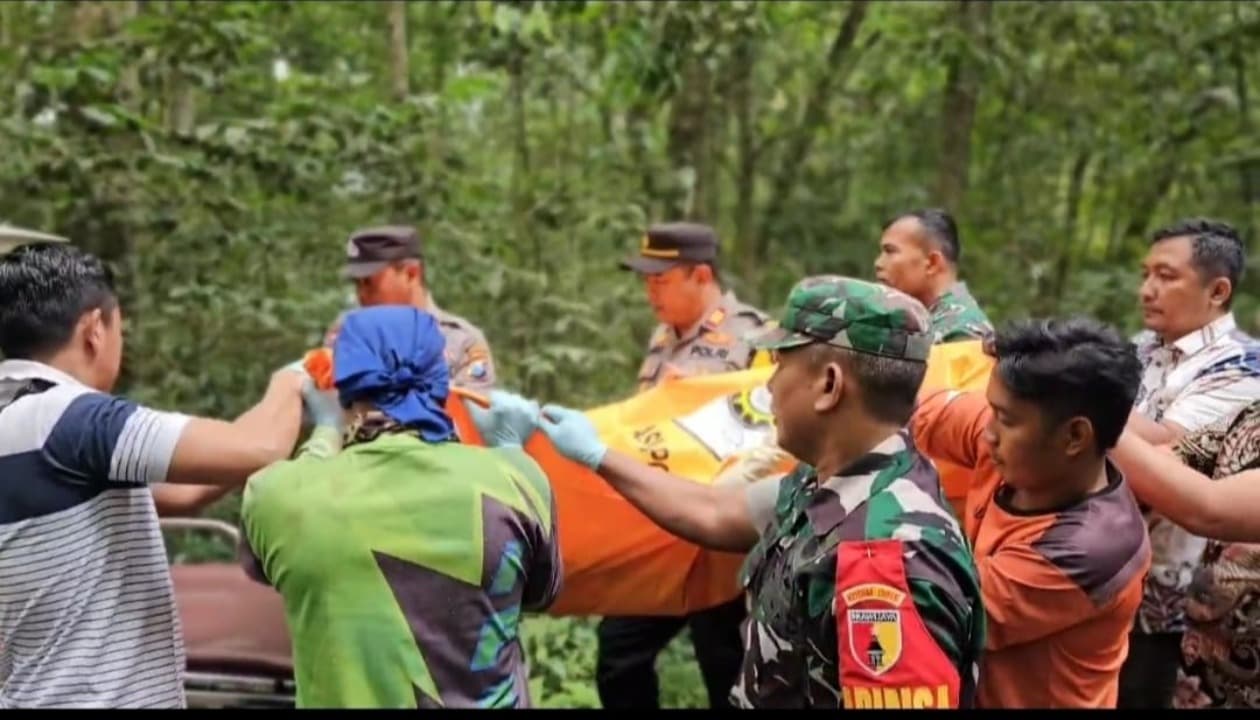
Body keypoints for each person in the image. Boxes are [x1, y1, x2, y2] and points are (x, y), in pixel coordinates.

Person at [472, 275, 985, 709]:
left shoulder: (885, 558)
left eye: (780, 365)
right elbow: (715, 512)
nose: (766, 387)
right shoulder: (825, 484)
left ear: (829, 385)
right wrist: (597, 455)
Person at [0, 242, 313, 708]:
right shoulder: (76, 421)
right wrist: (296, 379)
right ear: (94, 331)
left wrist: (286, 422)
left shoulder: (19, 417)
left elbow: (182, 493)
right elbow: (259, 446)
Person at [238, 306, 562, 709]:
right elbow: (538, 594)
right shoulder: (516, 481)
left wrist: (325, 431)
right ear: (442, 378)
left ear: (341, 388)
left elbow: (268, 568)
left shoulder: (277, 494)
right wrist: (510, 449)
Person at [909, 317, 1150, 707]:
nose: (988, 432)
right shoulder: (1020, 452)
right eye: (992, 411)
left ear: (1074, 436)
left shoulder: (1091, 550)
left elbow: (937, 605)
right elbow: (912, 407)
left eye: (1005, 419)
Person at [599, 221, 770, 710]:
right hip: (660, 526)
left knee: (724, 663)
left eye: (661, 279)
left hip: (721, 534)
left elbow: (771, 432)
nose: (649, 290)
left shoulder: (755, 337)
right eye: (646, 280)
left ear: (700, 275)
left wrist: (700, 400)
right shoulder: (662, 337)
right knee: (619, 654)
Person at [1120, 218, 1259, 708]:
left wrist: (1080, 393)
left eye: (1166, 276)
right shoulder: (1138, 350)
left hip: (1168, 601)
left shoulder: (1241, 365)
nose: (1147, 289)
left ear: (1217, 290)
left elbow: (1173, 453)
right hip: (1105, 581)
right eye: (1146, 274)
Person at [1111, 401, 1260, 708]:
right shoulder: (1252, 415)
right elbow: (1177, 458)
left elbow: (1210, 508)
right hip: (1204, 665)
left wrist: (1093, 412)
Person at [327, 225, 497, 391]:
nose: (361, 294)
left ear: (411, 273)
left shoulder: (463, 341)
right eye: (357, 284)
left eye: (369, 283)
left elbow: (470, 411)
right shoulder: (346, 334)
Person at [874, 208, 993, 344]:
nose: (878, 263)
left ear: (932, 263)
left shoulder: (961, 334)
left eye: (890, 251)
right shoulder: (920, 324)